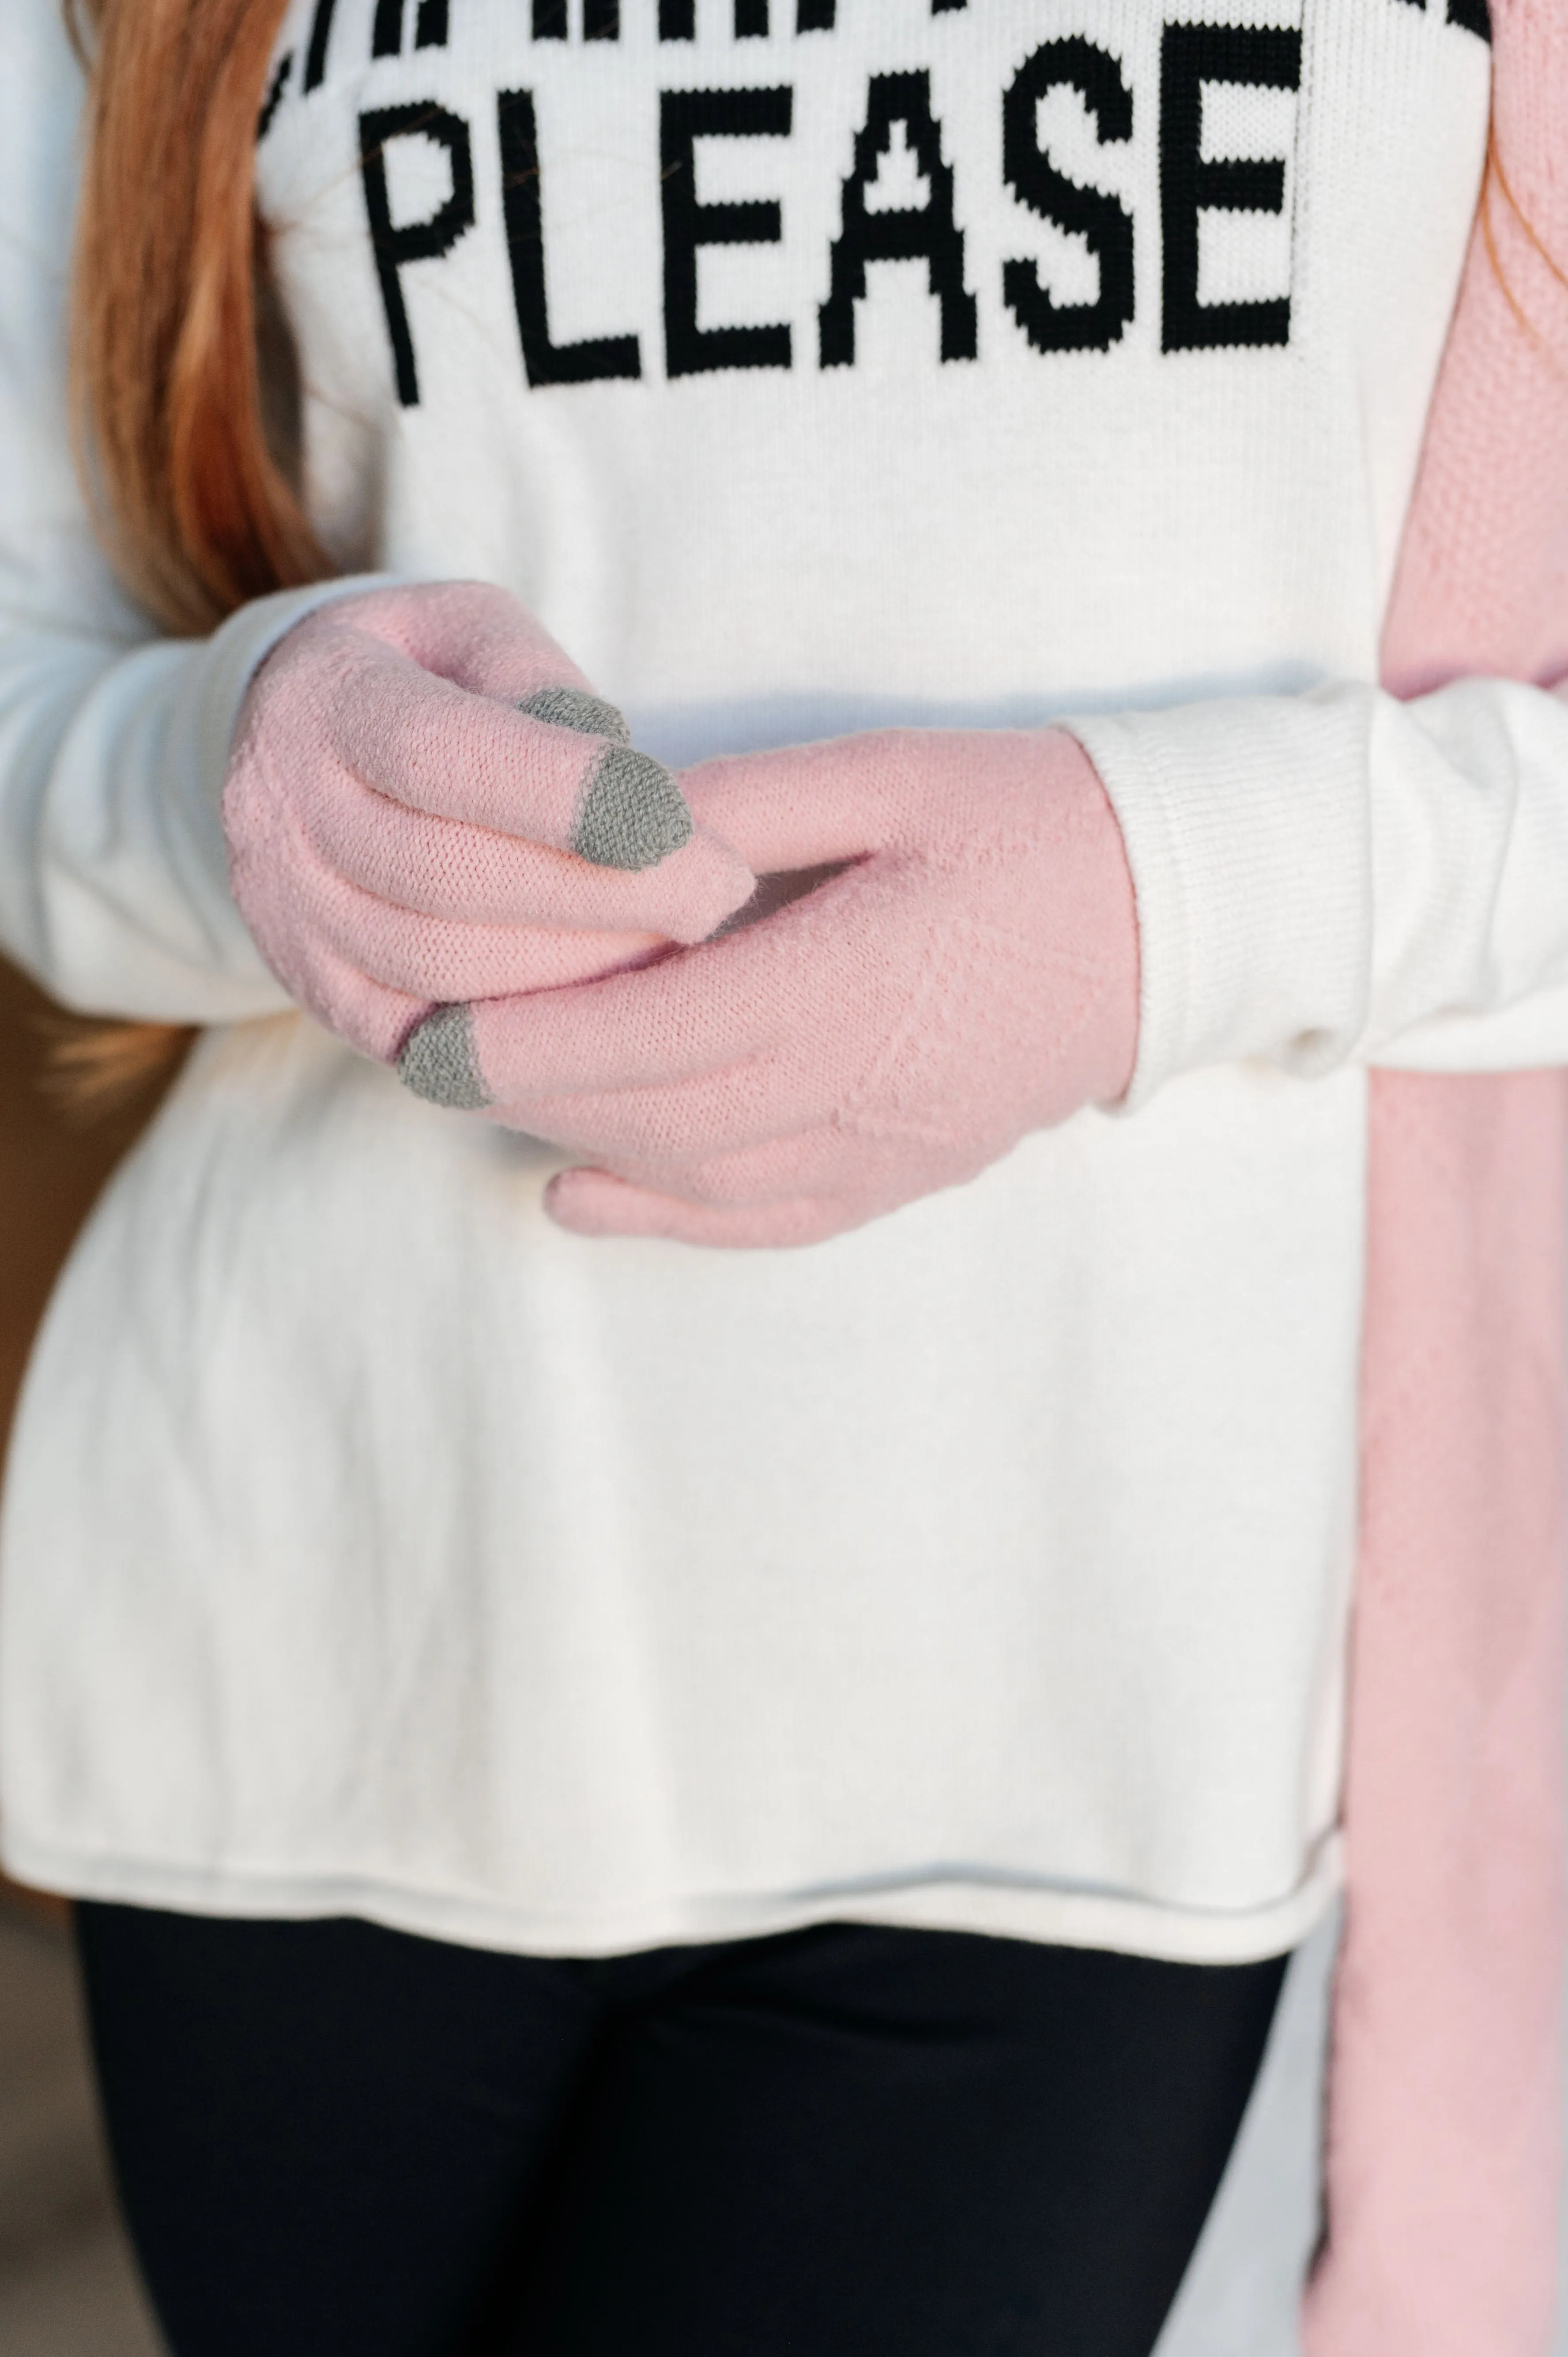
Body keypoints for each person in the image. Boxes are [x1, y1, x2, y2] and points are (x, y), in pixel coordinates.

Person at [0, 0, 1563, 2349]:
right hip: (311, 1656)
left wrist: (1167, 899)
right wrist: (248, 765)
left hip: (1074, 1733)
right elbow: (36, 727)